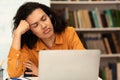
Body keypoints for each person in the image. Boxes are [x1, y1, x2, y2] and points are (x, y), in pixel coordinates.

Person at [7, 2, 85, 78]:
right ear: (30, 31)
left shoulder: (68, 33)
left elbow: (83, 65)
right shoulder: (28, 47)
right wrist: (17, 34)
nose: (44, 26)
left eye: (44, 19)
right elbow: (13, 73)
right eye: (35, 25)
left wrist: (42, 73)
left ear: (50, 17)